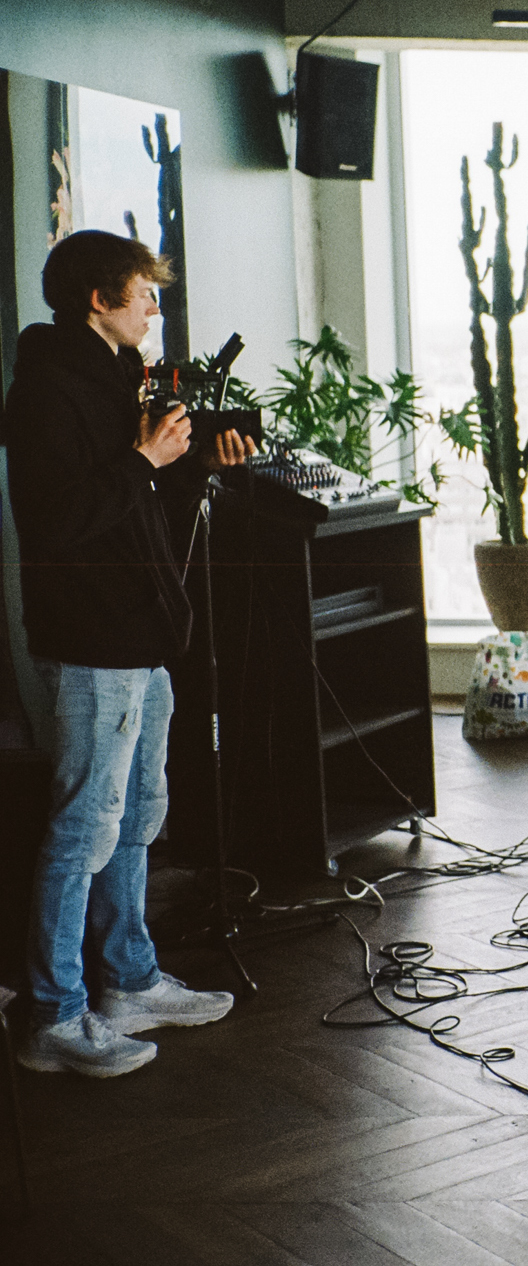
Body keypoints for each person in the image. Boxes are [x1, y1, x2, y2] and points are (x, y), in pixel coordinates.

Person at [7, 231, 252, 1077]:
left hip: (141, 633)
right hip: (91, 636)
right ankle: (54, 1014)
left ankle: (129, 978)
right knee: (84, 825)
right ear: (96, 300)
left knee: (138, 813)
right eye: (143, 292)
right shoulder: (45, 388)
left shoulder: (116, 377)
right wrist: (143, 457)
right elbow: (58, 521)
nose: (156, 306)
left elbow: (137, 502)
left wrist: (188, 464)